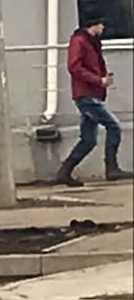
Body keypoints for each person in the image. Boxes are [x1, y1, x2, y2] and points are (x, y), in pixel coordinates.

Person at [55, 14, 132, 186]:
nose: (103, 28)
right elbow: (74, 67)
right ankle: (112, 168)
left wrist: (102, 78)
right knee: (113, 126)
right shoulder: (80, 41)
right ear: (93, 25)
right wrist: (99, 80)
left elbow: (86, 65)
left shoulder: (89, 42)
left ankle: (65, 171)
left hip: (90, 94)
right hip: (86, 95)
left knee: (88, 140)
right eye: (101, 25)